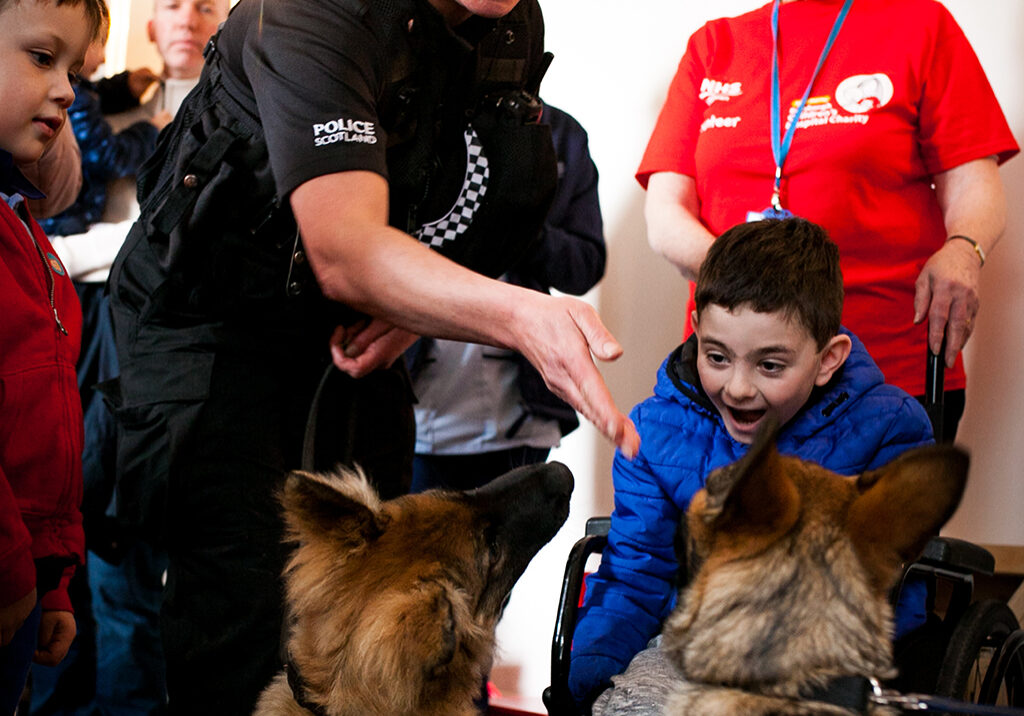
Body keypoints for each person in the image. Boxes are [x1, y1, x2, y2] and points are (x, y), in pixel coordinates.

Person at [104, 0, 639, 713]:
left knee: (384, 614)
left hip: (351, 339)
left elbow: (484, 194)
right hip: (214, 331)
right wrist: (515, 315)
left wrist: (413, 310)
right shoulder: (311, 10)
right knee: (244, 623)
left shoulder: (509, 21)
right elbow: (347, 248)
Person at [568, 218, 934, 713]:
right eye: (717, 357)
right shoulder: (652, 433)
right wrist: (591, 676)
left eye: (769, 366)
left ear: (828, 359)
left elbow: (879, 583)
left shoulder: (890, 426)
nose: (738, 387)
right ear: (696, 331)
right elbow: (637, 573)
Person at [638, 0, 1018, 441]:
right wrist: (757, 289)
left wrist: (964, 248)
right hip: (737, 380)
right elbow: (665, 215)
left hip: (887, 371)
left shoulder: (921, 26)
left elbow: (975, 184)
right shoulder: (715, 44)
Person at [27, 2, 227, 714]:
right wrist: (85, 254)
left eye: (205, 5)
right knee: (88, 556)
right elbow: (62, 231)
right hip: (89, 350)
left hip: (186, 363)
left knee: (139, 580)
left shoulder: (245, 113)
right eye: (173, 4)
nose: (187, 19)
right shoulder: (101, 112)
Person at [407, 100, 606, 493]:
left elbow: (585, 264)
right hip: (418, 404)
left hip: (521, 410)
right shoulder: (414, 117)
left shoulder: (561, 134)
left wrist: (517, 224)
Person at [0, 0, 101, 711]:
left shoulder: (25, 234)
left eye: (75, 70)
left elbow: (39, 431)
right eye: (43, 58)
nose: (67, 90)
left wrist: (53, 575)